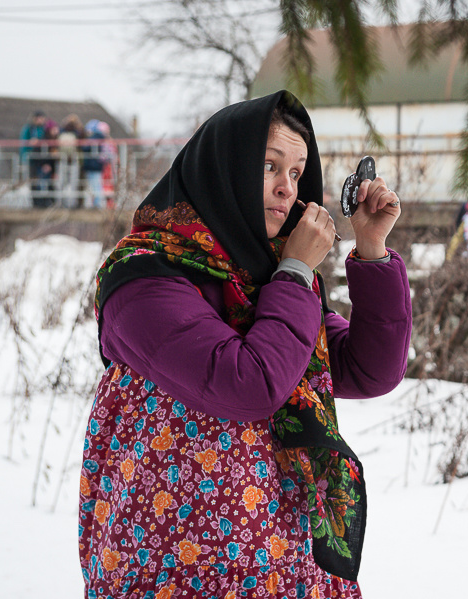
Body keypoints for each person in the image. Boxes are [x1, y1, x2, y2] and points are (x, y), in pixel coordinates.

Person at [78, 90, 411, 597]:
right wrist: (297, 272)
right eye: (269, 166)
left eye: (297, 173)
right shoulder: (142, 280)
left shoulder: (266, 282)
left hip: (283, 562)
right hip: (178, 566)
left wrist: (370, 249)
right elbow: (248, 383)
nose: (286, 187)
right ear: (222, 170)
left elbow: (367, 369)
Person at [20, 110, 47, 204]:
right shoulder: (29, 129)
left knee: (44, 180)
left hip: (42, 159)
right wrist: (24, 158)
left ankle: (45, 201)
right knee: (34, 180)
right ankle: (36, 201)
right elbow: (23, 144)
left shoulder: (44, 129)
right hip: (31, 159)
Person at [58, 114, 85, 208]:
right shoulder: (65, 131)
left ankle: (69, 203)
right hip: (66, 159)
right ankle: (63, 203)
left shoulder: (76, 132)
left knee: (72, 183)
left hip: (73, 160)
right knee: (65, 183)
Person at [82, 119, 108, 208]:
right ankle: (97, 203)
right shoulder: (101, 138)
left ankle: (97, 203)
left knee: (95, 185)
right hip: (96, 165)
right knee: (96, 185)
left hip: (93, 166)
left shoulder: (94, 138)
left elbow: (85, 147)